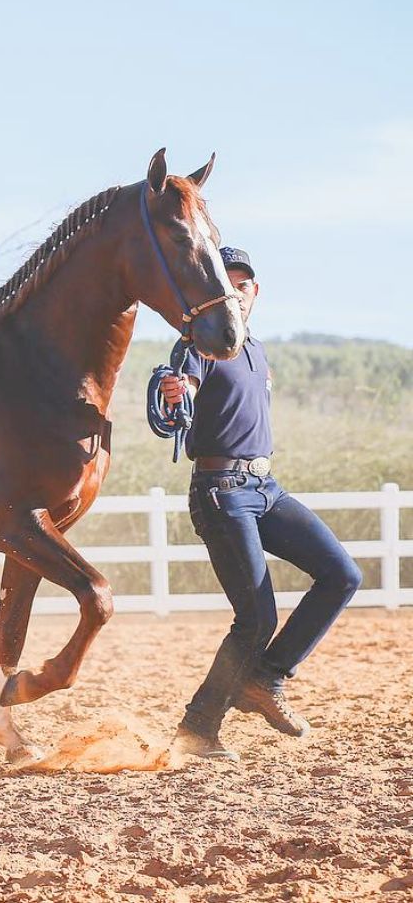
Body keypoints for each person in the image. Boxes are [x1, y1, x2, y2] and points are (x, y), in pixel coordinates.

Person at [163, 246, 361, 761]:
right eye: (226, 284)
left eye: (244, 284)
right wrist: (176, 393)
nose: (237, 292)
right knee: (256, 618)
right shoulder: (199, 346)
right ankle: (198, 728)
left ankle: (266, 678)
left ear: (256, 293)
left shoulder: (257, 349)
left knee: (342, 575)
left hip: (265, 487)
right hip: (221, 490)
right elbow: (181, 392)